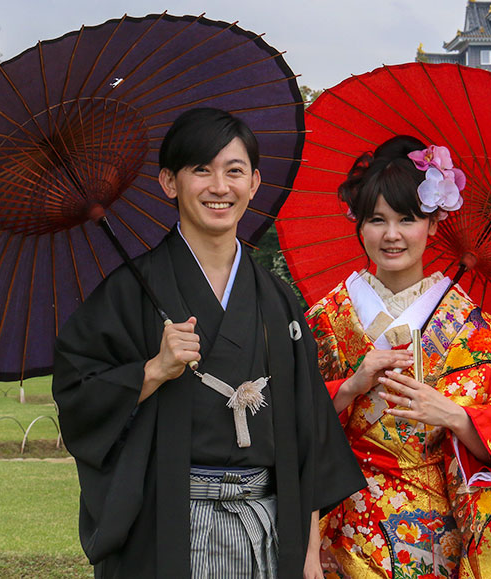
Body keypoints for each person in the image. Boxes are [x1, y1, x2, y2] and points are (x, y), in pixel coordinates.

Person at [53, 107, 364, 579]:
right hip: (166, 526)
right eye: (201, 170)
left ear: (255, 183)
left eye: (234, 171)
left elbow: (309, 429)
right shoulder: (128, 292)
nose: (220, 187)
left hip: (268, 525)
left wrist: (308, 549)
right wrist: (152, 370)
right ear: (169, 182)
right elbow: (78, 396)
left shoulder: (278, 301)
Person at [306, 136, 491, 578]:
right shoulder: (327, 318)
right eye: (377, 220)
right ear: (359, 225)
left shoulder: (467, 324)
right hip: (342, 523)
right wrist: (351, 386)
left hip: (435, 532)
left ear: (432, 224)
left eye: (407, 219)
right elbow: (291, 422)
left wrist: (454, 416)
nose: (391, 235)